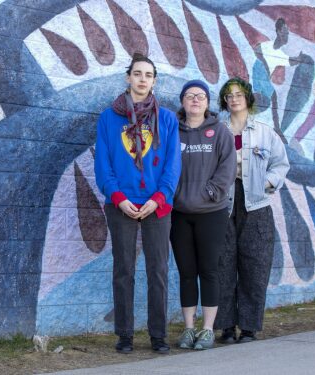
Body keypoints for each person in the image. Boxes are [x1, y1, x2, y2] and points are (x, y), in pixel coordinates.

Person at [94, 53, 181, 354]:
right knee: (124, 270)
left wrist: (158, 199)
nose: (143, 79)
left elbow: (172, 166)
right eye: (138, 74)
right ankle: (125, 335)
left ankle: (158, 336)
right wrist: (118, 198)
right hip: (123, 205)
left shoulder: (167, 119)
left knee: (158, 270)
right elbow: (103, 164)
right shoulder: (109, 117)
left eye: (148, 75)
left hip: (158, 206)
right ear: (128, 77)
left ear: (154, 81)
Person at [214, 77, 290, 343]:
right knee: (223, 265)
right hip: (223, 205)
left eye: (239, 94)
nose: (234, 99)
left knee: (254, 267)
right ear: (225, 101)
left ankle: (248, 328)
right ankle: (225, 327)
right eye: (229, 95)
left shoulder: (264, 132)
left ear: (247, 98)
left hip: (256, 204)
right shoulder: (217, 131)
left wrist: (267, 182)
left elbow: (281, 164)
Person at [170, 80, 236, 350]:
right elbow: (163, 167)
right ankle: (188, 328)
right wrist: (172, 196)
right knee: (186, 272)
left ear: (208, 103)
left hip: (212, 213)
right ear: (183, 102)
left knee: (208, 270)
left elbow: (227, 169)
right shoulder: (172, 131)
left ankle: (207, 329)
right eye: (189, 96)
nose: (195, 100)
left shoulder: (220, 132)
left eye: (200, 96)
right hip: (179, 213)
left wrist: (209, 193)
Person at [252, 18, 301, 138]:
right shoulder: (267, 46)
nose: (287, 35)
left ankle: (276, 128)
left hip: (261, 80)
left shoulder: (280, 55)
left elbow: (291, 61)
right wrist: (264, 63)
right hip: (259, 73)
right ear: (278, 31)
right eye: (285, 31)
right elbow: (256, 50)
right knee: (271, 96)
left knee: (267, 100)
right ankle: (277, 128)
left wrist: (300, 58)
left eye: (288, 33)